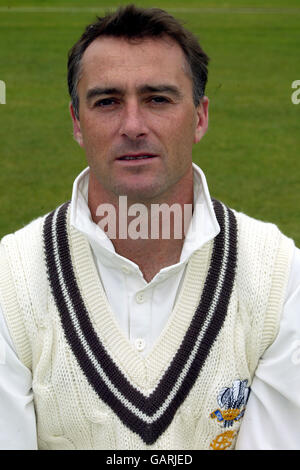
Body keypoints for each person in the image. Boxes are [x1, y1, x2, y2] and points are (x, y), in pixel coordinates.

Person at [0, 4, 299, 451]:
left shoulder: (280, 275)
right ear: (77, 123)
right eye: (107, 102)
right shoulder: (10, 279)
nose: (133, 126)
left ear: (199, 117)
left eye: (158, 99)